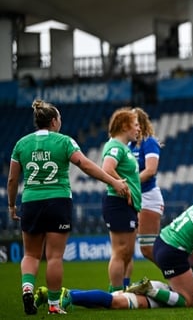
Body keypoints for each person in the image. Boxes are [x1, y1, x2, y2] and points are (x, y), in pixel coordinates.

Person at [7, 99, 129, 315]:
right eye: (59, 118)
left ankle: (27, 289)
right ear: (54, 121)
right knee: (54, 257)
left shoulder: (21, 144)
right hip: (58, 201)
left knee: (31, 255)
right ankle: (54, 305)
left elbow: (12, 180)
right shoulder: (64, 142)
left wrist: (11, 205)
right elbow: (85, 165)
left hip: (31, 201)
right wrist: (114, 182)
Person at [151, 174, 193, 307]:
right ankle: (151, 291)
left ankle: (183, 284)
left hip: (162, 242)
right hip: (172, 252)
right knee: (190, 301)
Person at [101, 107, 142, 293]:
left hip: (127, 205)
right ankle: (115, 292)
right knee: (120, 252)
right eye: (135, 125)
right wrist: (119, 184)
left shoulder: (123, 148)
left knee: (127, 252)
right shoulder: (115, 146)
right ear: (125, 126)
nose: (138, 129)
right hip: (117, 203)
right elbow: (107, 168)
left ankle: (122, 290)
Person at [32, 280, 193, 310]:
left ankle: (53, 295)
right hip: (164, 295)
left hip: (163, 288)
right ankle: (70, 297)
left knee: (108, 300)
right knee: (114, 301)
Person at [130, 107, 165, 265]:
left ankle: (179, 273)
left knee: (148, 248)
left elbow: (151, 170)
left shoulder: (148, 141)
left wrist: (128, 183)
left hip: (148, 197)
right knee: (127, 248)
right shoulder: (128, 145)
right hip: (133, 196)